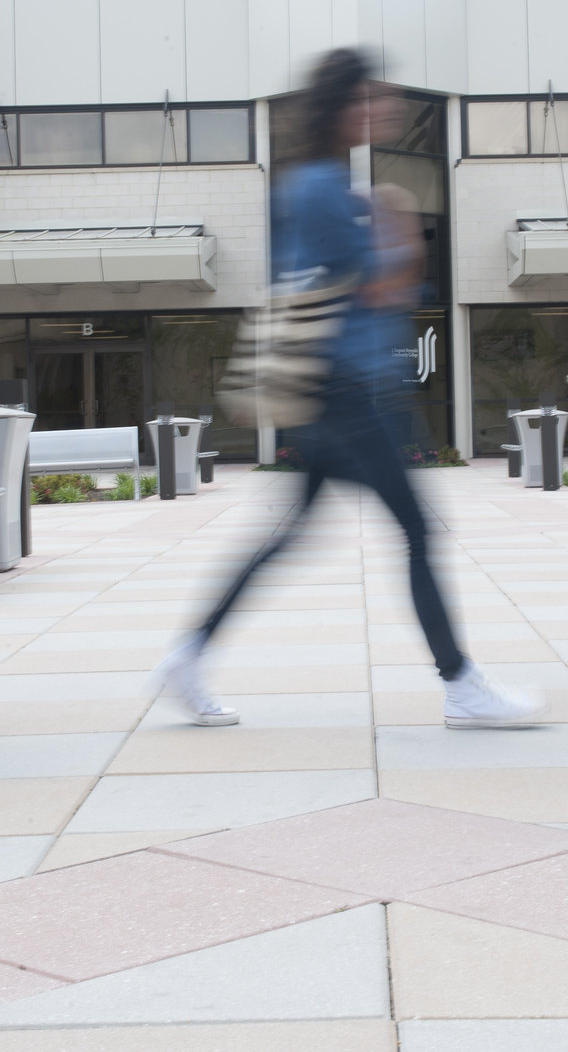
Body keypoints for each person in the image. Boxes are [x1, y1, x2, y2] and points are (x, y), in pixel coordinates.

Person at [158, 48, 543, 730]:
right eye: (373, 98)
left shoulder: (311, 187)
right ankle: (461, 683)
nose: (386, 109)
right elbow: (384, 289)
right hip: (351, 392)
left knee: (288, 535)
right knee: (416, 529)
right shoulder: (326, 193)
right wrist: (399, 223)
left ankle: (189, 653)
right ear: (342, 107)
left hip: (333, 391)